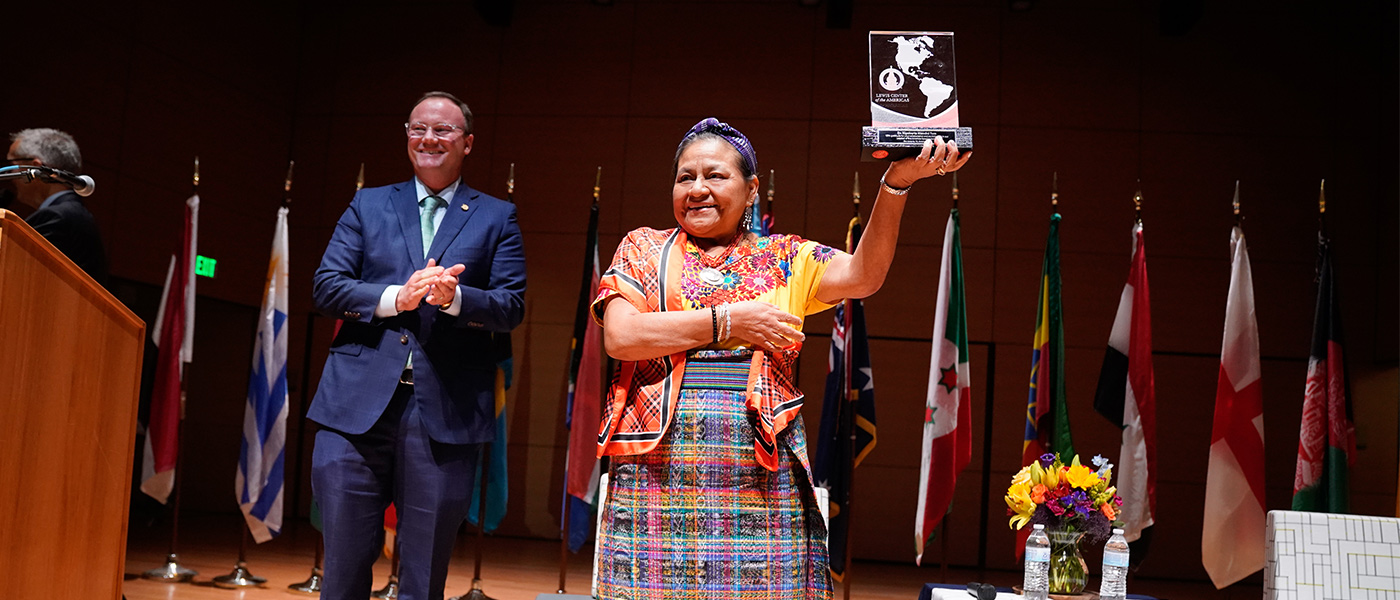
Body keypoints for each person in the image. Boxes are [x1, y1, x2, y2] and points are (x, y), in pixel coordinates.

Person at [590, 118, 969, 599]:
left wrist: (895, 183)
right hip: (657, 472)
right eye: (686, 177)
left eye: (715, 175)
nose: (697, 189)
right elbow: (621, 336)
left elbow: (863, 275)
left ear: (751, 191)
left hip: (759, 474)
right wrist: (729, 322)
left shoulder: (784, 257)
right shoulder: (643, 248)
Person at [308, 91, 526, 600]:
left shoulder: (497, 217)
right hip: (354, 411)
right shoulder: (369, 203)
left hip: (444, 414)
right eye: (418, 129)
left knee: (424, 577)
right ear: (407, 136)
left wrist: (456, 299)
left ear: (467, 143)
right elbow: (327, 285)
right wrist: (393, 297)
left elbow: (511, 305)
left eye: (443, 130)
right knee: (341, 569)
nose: (429, 138)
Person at [6, 128, 108, 284]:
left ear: (34, 168)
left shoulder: (56, 217)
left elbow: (18, 278)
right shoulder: (73, 213)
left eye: (12, 166)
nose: (10, 178)